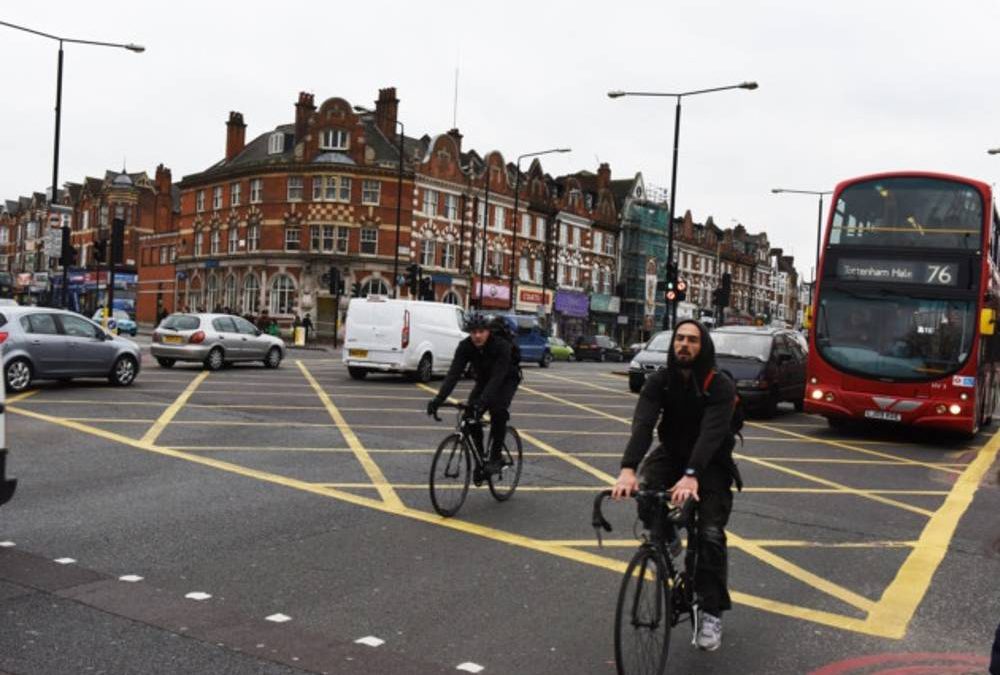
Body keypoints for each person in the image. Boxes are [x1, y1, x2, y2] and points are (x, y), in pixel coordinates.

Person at [611, 319, 740, 653]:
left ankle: (710, 612)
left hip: (711, 463)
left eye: (693, 340)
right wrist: (627, 468)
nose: (685, 345)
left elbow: (712, 434)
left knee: (710, 534)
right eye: (680, 339)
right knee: (646, 491)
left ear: (703, 346)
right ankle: (667, 540)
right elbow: (643, 424)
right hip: (671, 453)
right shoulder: (660, 381)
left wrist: (693, 473)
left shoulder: (719, 385)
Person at [426, 313, 521, 476]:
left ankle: (495, 457)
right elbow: (453, 374)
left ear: (488, 331)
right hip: (484, 380)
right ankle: (481, 459)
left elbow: (498, 377)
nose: (477, 336)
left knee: (498, 410)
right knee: (470, 416)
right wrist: (438, 399)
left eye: (481, 331)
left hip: (506, 378)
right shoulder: (465, 346)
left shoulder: (501, 346)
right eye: (473, 332)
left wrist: (482, 402)